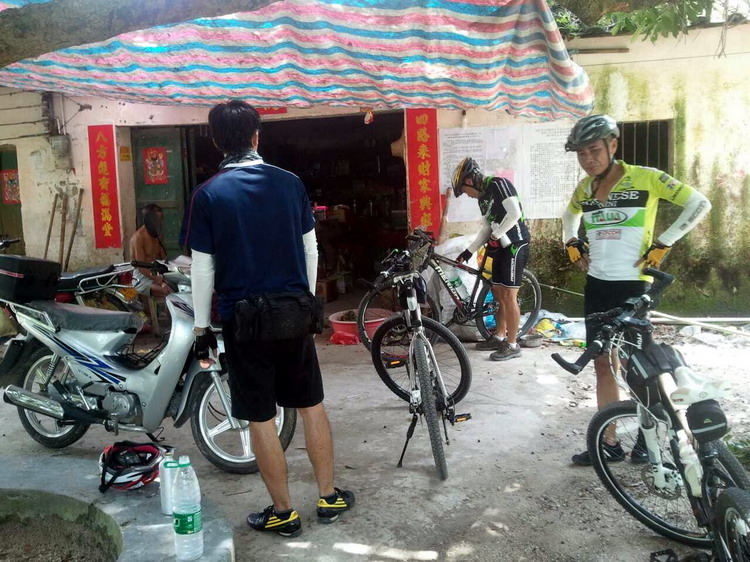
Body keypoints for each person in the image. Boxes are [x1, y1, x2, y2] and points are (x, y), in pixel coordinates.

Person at [184, 99, 354, 537]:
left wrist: (201, 328)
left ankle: (283, 512)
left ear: (217, 141)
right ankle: (329, 497)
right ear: (257, 136)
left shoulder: (207, 195)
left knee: (261, 416)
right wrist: (308, 301)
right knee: (311, 405)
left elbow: (202, 267)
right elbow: (310, 248)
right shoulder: (290, 183)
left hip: (244, 320)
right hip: (293, 313)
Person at [562, 114, 711, 466]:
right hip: (597, 286)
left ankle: (649, 440)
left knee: (637, 367)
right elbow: (569, 216)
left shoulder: (646, 178)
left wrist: (664, 242)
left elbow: (699, 204)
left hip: (634, 286)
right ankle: (610, 442)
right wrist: (571, 241)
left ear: (612, 145)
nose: (588, 159)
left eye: (594, 150)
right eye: (581, 153)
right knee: (602, 364)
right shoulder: (585, 189)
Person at [451, 157, 532, 361]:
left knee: (509, 295)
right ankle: (499, 336)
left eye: (464, 190)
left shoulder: (499, 184)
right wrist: (469, 251)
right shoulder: (482, 199)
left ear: (470, 180)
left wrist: (497, 235)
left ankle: (512, 344)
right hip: (499, 245)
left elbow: (514, 213)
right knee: (497, 292)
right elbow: (487, 227)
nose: (467, 195)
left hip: (515, 244)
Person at [129, 204, 173, 298]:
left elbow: (163, 258)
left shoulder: (157, 234)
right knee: (170, 293)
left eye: (161, 219)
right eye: (157, 220)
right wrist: (160, 281)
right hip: (142, 277)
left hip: (157, 273)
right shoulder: (138, 238)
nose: (160, 222)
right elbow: (141, 268)